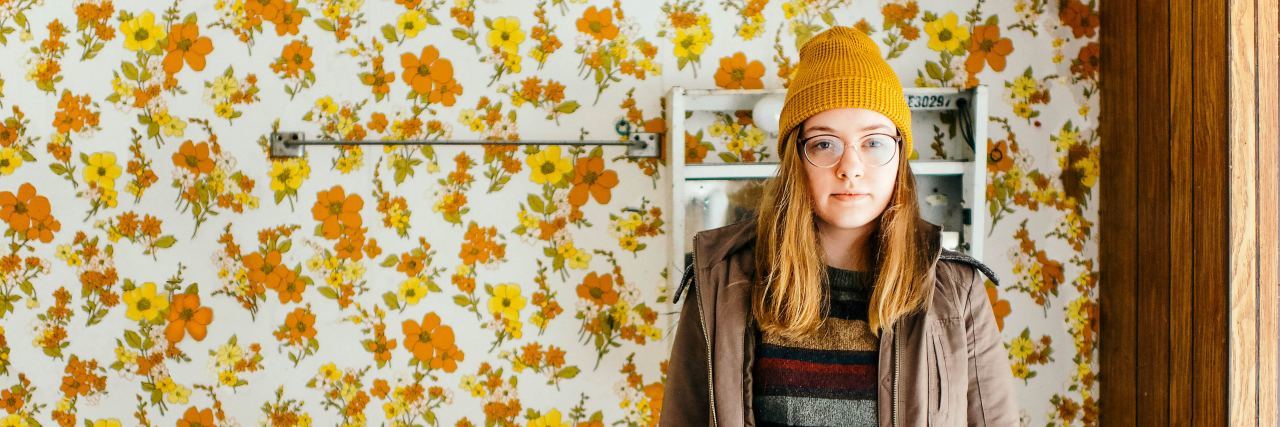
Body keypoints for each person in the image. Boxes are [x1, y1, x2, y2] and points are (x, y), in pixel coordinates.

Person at [659, 26, 1019, 426]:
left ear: (900, 155)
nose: (850, 168)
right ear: (797, 158)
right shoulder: (722, 278)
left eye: (874, 142)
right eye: (825, 143)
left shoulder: (957, 289)